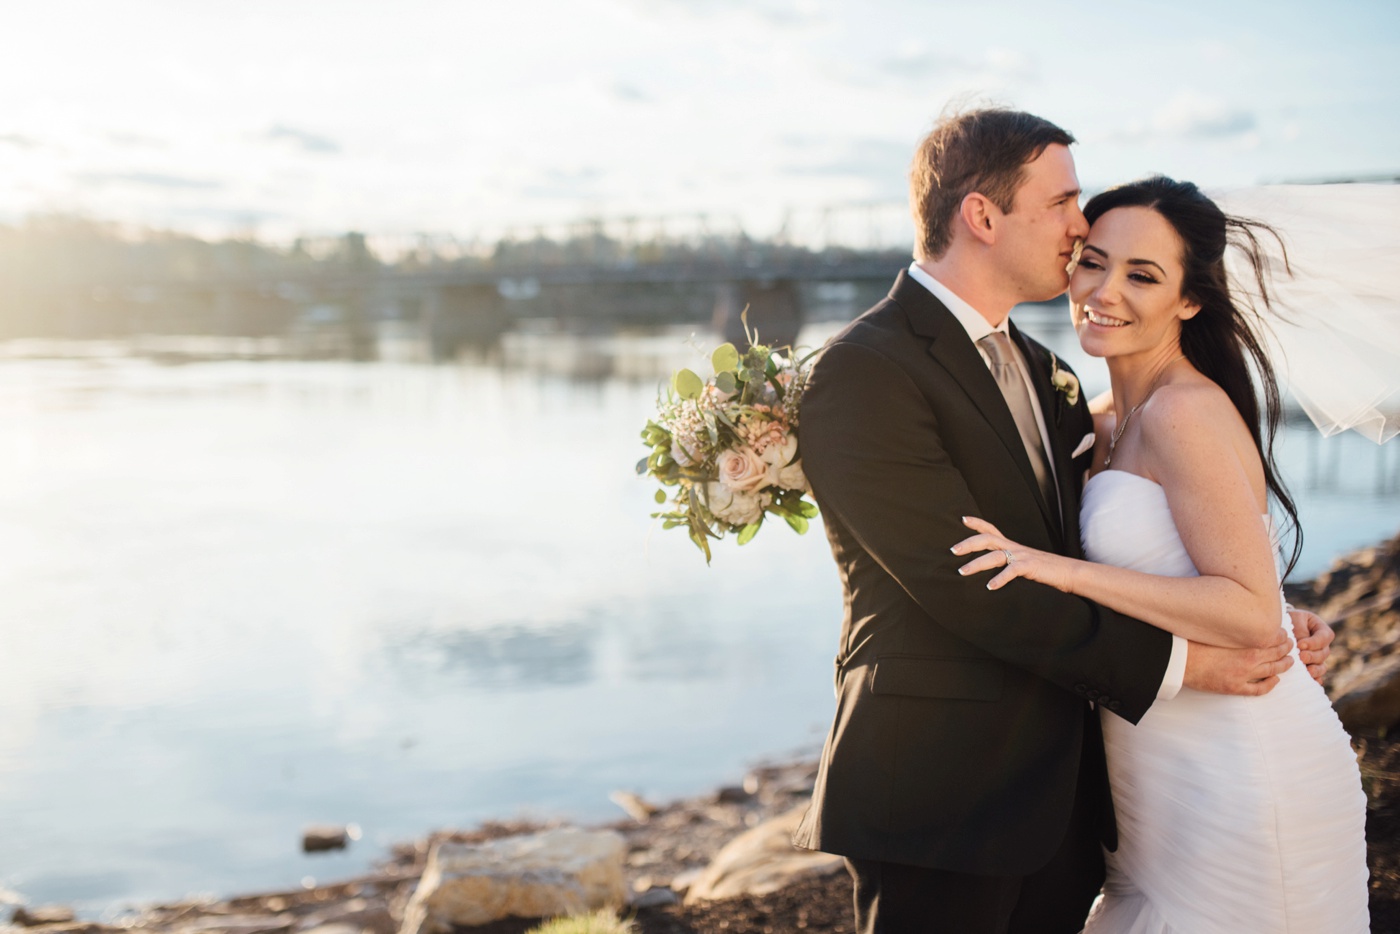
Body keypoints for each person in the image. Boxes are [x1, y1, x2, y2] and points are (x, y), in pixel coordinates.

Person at [790, 108, 1332, 934]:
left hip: (1068, 796)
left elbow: (1113, 533)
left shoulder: (1050, 375)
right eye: (1063, 203)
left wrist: (1261, 612)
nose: (1079, 229)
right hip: (942, 793)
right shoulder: (868, 369)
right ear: (982, 215)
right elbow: (968, 582)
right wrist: (1184, 663)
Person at [951, 175, 1370, 932]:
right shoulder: (1095, 416)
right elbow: (1214, 573)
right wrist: (1284, 606)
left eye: (1143, 275)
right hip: (1153, 777)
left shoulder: (1185, 412)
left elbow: (1244, 614)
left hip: (1244, 769)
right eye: (1093, 261)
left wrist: (1062, 572)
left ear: (1190, 300)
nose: (1105, 290)